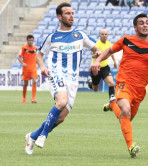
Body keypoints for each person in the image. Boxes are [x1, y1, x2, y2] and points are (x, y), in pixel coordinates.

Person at [91, 13, 148, 158]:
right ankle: (131, 146)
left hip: (140, 89)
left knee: (126, 117)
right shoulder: (126, 40)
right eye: (141, 23)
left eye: (147, 23)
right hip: (124, 83)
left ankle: (112, 105)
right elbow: (109, 51)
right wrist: (98, 60)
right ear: (135, 27)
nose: (145, 25)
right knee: (125, 109)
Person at [24, 3, 101, 155]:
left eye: (72, 13)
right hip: (56, 73)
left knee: (61, 118)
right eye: (67, 13)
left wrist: (97, 54)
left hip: (73, 79)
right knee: (62, 101)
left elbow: (97, 49)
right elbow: (39, 55)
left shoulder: (80, 35)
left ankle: (33, 136)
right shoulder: (53, 37)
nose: (71, 16)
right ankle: (43, 135)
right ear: (60, 17)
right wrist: (43, 67)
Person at [88, 29, 117, 102]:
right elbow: (92, 56)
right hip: (96, 68)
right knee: (95, 89)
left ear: (107, 35)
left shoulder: (109, 44)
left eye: (105, 34)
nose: (104, 36)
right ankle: (91, 83)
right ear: (99, 35)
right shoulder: (97, 44)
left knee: (111, 82)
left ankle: (112, 97)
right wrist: (97, 55)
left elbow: (111, 52)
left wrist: (114, 61)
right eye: (102, 34)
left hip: (105, 67)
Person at [18, 35, 38, 104]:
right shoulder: (23, 48)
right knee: (25, 83)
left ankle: (33, 98)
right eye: (29, 40)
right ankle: (24, 98)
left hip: (33, 67)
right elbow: (19, 57)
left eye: (32, 40)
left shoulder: (35, 48)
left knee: (34, 81)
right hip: (26, 68)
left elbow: (36, 58)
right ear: (27, 41)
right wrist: (22, 63)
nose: (31, 41)